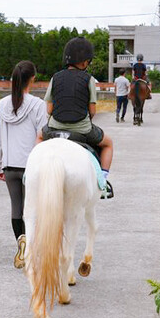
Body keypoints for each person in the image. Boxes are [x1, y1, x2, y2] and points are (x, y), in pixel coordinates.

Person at [42, 37, 115, 199]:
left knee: (39, 136)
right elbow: (92, 110)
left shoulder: (55, 77)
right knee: (108, 143)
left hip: (54, 127)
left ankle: (30, 172)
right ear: (83, 62)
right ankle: (102, 182)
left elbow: (49, 108)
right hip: (81, 129)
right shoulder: (88, 79)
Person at [0, 60, 47, 269]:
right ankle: (32, 250)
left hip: (9, 166)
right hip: (31, 165)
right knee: (33, 210)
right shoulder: (38, 104)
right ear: (32, 79)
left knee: (16, 209)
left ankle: (21, 244)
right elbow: (43, 135)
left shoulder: (2, 104)